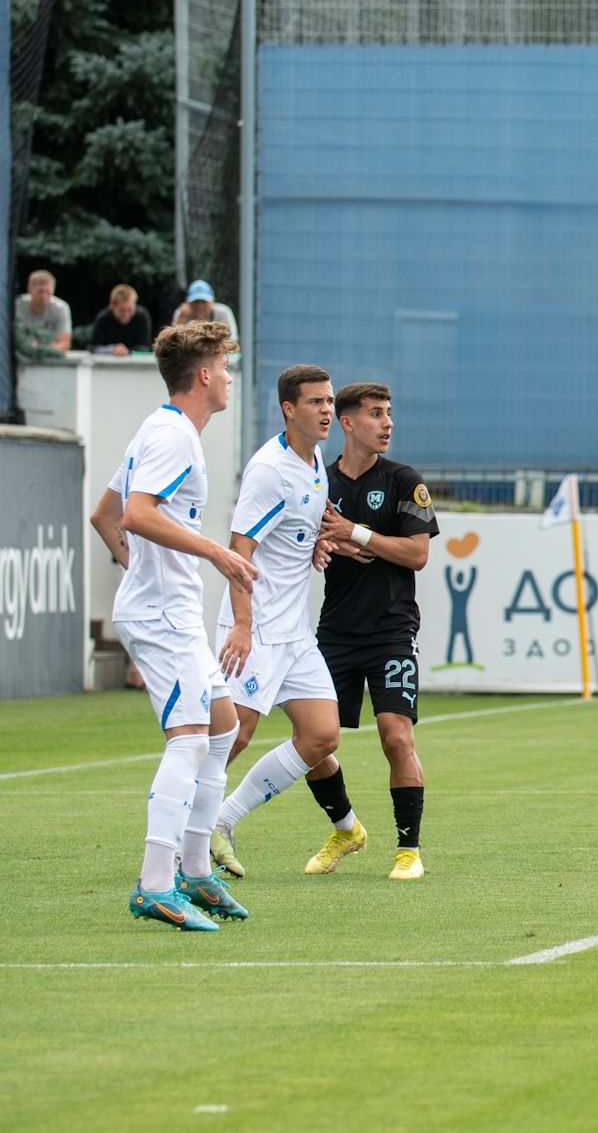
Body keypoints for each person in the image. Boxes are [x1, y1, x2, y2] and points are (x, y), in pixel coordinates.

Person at [86, 321, 259, 930]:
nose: (230, 377)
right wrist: (211, 553)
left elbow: (103, 514)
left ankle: (196, 872)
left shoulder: (163, 429)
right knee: (188, 739)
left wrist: (140, 574)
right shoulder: (173, 435)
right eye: (225, 366)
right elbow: (134, 514)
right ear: (205, 374)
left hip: (166, 606)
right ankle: (155, 885)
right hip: (165, 615)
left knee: (222, 727)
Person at [203, 366, 341, 880]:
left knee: (322, 734)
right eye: (315, 403)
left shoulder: (314, 457)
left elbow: (300, 520)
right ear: (289, 409)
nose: (326, 410)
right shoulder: (268, 470)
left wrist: (316, 542)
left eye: (329, 401)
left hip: (294, 632)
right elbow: (240, 550)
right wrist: (241, 626)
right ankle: (179, 841)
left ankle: (223, 819)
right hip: (256, 629)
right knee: (233, 736)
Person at [313, 382, 439, 881]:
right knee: (312, 741)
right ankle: (345, 827)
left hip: (391, 629)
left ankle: (408, 850)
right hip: (335, 631)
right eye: (376, 414)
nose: (388, 423)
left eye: (389, 414)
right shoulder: (318, 483)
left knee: (395, 735)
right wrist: (327, 546)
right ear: (347, 423)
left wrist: (355, 533)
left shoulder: (405, 479)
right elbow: (304, 543)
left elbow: (417, 554)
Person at [15, 269, 72, 355]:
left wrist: (42, 349)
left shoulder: (60, 308)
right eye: (40, 292)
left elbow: (64, 343)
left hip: (49, 357)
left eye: (48, 292)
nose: (44, 296)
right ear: (30, 290)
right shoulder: (18, 306)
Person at [89, 284, 154, 355]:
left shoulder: (142, 317)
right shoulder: (103, 318)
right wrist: (111, 349)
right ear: (112, 306)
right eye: (122, 310)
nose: (126, 314)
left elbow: (145, 347)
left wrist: (128, 351)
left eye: (130, 310)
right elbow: (94, 347)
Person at [171, 279, 239, 337]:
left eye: (204, 302)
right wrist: (181, 319)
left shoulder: (223, 312)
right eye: (196, 302)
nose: (200, 306)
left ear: (212, 301)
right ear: (187, 302)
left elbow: (231, 340)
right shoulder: (181, 313)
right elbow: (172, 344)